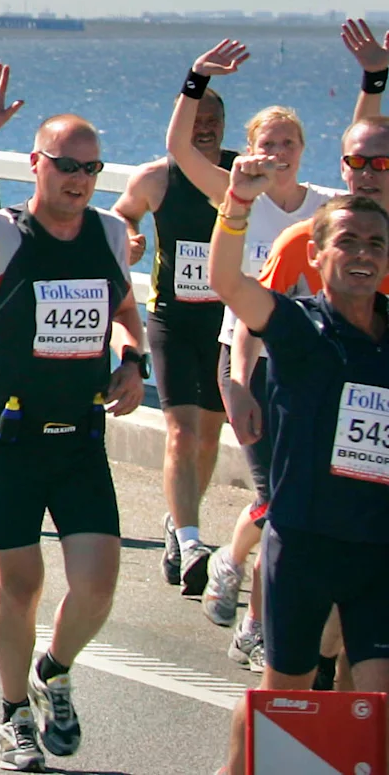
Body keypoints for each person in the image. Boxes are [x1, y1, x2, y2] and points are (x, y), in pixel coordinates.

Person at [0, 65, 147, 774]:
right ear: (38, 164)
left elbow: (125, 309)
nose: (79, 178)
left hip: (80, 432)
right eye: (65, 164)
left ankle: (55, 668)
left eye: (91, 166)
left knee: (98, 582)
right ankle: (14, 715)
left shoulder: (108, 232)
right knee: (21, 584)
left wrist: (132, 359)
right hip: (9, 436)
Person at [208, 132, 389, 775]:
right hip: (304, 546)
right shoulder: (296, 325)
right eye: (347, 242)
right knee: (283, 697)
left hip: (376, 552)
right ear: (315, 252)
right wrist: (237, 201)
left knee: (377, 704)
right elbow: (224, 280)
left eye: (375, 244)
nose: (362, 255)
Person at [175, 41, 338, 647]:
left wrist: (375, 79)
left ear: (302, 150)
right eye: (265, 144)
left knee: (289, 496)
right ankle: (258, 625)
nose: (276, 154)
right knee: (278, 495)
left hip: (310, 364)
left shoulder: (325, 207)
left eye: (287, 144)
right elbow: (177, 151)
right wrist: (195, 81)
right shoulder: (235, 193)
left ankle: (231, 563)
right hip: (245, 360)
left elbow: (369, 156)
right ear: (250, 150)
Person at [110, 80, 234, 595]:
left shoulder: (238, 177)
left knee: (208, 436)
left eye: (212, 122)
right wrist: (132, 237)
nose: (203, 130)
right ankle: (189, 540)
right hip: (172, 320)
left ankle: (179, 521)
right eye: (195, 121)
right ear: (180, 125)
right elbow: (121, 214)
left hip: (225, 323)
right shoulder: (157, 178)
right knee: (181, 431)